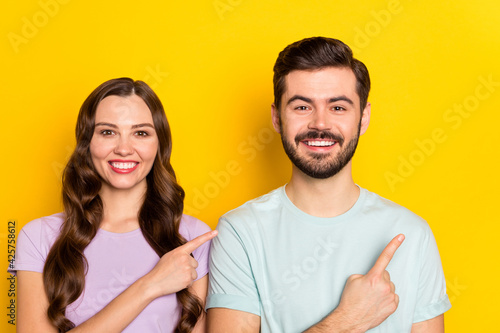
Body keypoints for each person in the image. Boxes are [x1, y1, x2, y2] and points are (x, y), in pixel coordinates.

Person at [206, 37, 451, 332]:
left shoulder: (412, 234)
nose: (320, 124)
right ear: (276, 117)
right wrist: (347, 320)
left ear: (363, 118)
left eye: (337, 107)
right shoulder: (239, 232)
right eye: (301, 107)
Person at [9, 78, 217, 332]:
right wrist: (150, 284)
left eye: (140, 133)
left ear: (158, 144)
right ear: (87, 143)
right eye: (108, 132)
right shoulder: (38, 237)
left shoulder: (193, 237)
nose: (124, 148)